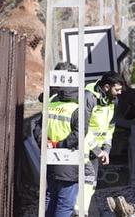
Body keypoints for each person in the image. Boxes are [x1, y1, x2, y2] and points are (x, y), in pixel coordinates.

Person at [41, 61, 92, 217]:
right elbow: (79, 133)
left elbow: (37, 129)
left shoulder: (49, 102)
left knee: (51, 198)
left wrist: (47, 145)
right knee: (65, 204)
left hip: (50, 159)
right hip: (69, 160)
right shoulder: (78, 105)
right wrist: (61, 145)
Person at [79, 73, 124, 216]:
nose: (120, 93)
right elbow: (82, 129)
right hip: (83, 148)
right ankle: (79, 211)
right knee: (82, 182)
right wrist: (99, 151)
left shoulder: (113, 101)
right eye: (117, 90)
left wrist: (107, 149)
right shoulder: (89, 97)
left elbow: (110, 127)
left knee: (90, 183)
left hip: (95, 149)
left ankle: (82, 211)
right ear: (106, 87)